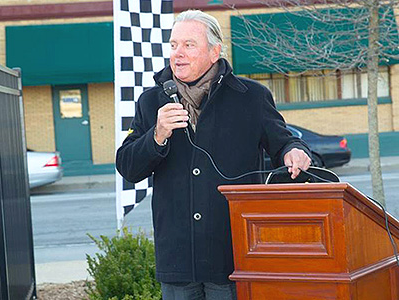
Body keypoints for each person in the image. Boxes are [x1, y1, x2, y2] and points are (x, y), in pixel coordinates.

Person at [116, 10, 311, 300]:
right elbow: (128, 167)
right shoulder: (151, 101)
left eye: (188, 45)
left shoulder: (251, 96)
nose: (177, 54)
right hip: (178, 260)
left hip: (232, 254)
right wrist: (156, 135)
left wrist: (294, 152)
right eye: (173, 45)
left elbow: (283, 142)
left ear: (214, 51)